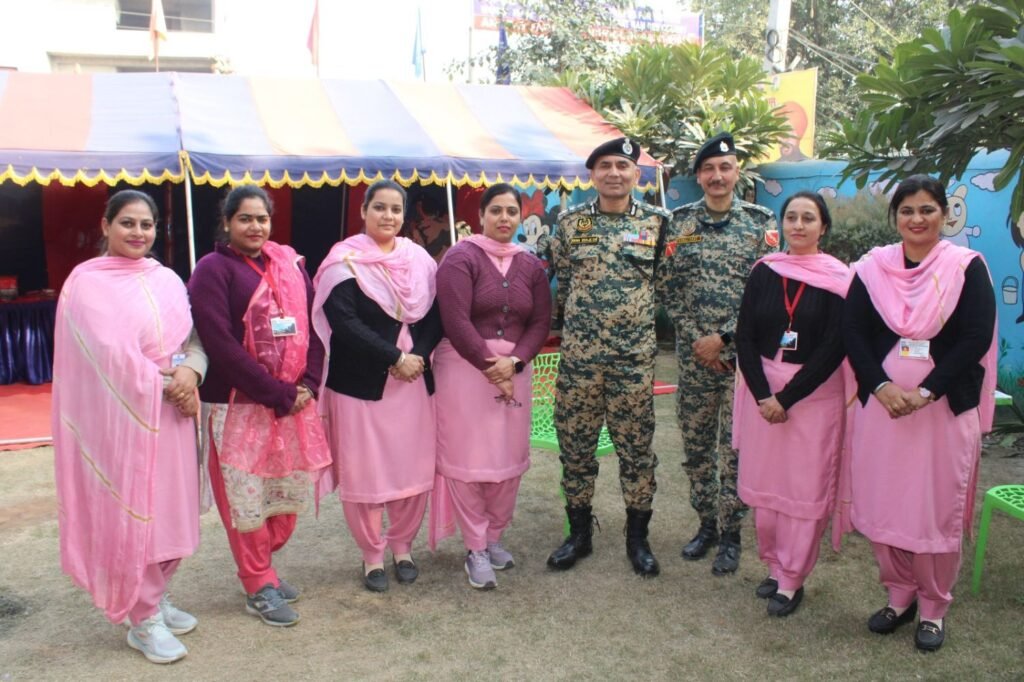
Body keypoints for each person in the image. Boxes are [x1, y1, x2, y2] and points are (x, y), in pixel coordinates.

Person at [53, 189, 207, 664]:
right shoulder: (87, 283)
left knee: (171, 510)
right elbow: (108, 357)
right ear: (106, 226)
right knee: (138, 510)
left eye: (147, 224)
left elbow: (189, 340)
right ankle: (143, 619)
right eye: (127, 223)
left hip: (172, 414)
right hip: (122, 420)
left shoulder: (166, 279)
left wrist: (190, 372)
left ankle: (153, 596)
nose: (138, 232)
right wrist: (168, 382)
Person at [843, 174, 996, 652]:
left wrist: (927, 391)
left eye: (927, 209)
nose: (917, 219)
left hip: (942, 410)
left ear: (944, 214)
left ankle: (933, 606)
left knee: (933, 509)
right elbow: (853, 332)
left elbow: (976, 336)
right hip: (882, 411)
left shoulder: (965, 267)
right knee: (885, 503)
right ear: (895, 218)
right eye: (907, 210)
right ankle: (899, 594)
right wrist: (881, 385)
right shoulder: (873, 268)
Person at [189, 185, 330, 628]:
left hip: (290, 403)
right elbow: (220, 345)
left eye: (262, 218)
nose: (255, 226)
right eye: (245, 218)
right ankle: (257, 583)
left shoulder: (288, 265)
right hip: (238, 405)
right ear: (227, 222)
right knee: (245, 500)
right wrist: (277, 393)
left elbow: (312, 328)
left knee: (282, 497)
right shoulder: (212, 270)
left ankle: (263, 567)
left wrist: (308, 384)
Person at [546, 137, 670, 577]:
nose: (614, 173)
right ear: (592, 175)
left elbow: (664, 282)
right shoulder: (570, 223)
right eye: (605, 166)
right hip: (580, 362)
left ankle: (638, 539)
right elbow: (563, 281)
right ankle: (579, 535)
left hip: (632, 363)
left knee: (636, 451)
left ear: (636, 174)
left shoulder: (659, 223)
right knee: (576, 448)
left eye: (622, 165)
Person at [312, 179, 443, 593]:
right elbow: (344, 322)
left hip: (413, 384)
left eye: (396, 209)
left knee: (411, 469)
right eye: (380, 207)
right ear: (363, 211)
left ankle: (402, 547)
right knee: (366, 474)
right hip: (361, 386)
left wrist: (417, 356)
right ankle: (372, 555)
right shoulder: (343, 262)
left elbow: (435, 314)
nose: (388, 216)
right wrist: (394, 358)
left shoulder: (419, 260)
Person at [657, 131, 777, 576]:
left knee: (735, 448)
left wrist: (725, 339)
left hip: (744, 361)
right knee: (696, 445)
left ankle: (731, 533)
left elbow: (768, 291)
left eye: (725, 167)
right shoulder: (679, 223)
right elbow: (668, 287)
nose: (717, 175)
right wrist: (699, 340)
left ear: (737, 172)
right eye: (708, 169)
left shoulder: (761, 223)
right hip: (695, 360)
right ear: (699, 176)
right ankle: (706, 523)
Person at [733, 191, 851, 617]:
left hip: (813, 397)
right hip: (762, 394)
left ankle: (792, 578)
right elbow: (745, 334)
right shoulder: (764, 271)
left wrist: (786, 398)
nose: (798, 225)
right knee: (767, 489)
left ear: (824, 227)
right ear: (781, 224)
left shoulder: (840, 279)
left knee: (803, 491)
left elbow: (836, 346)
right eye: (791, 217)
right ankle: (774, 565)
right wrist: (764, 395)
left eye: (808, 218)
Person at [432, 183, 552, 589]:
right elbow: (455, 319)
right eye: (496, 210)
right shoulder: (460, 257)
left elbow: (540, 322)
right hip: (465, 371)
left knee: (508, 459)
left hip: (515, 371)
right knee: (468, 461)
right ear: (481, 215)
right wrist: (491, 365)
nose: (504, 218)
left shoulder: (531, 265)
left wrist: (514, 363)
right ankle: (475, 547)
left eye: (511, 211)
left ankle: (495, 536)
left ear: (520, 217)